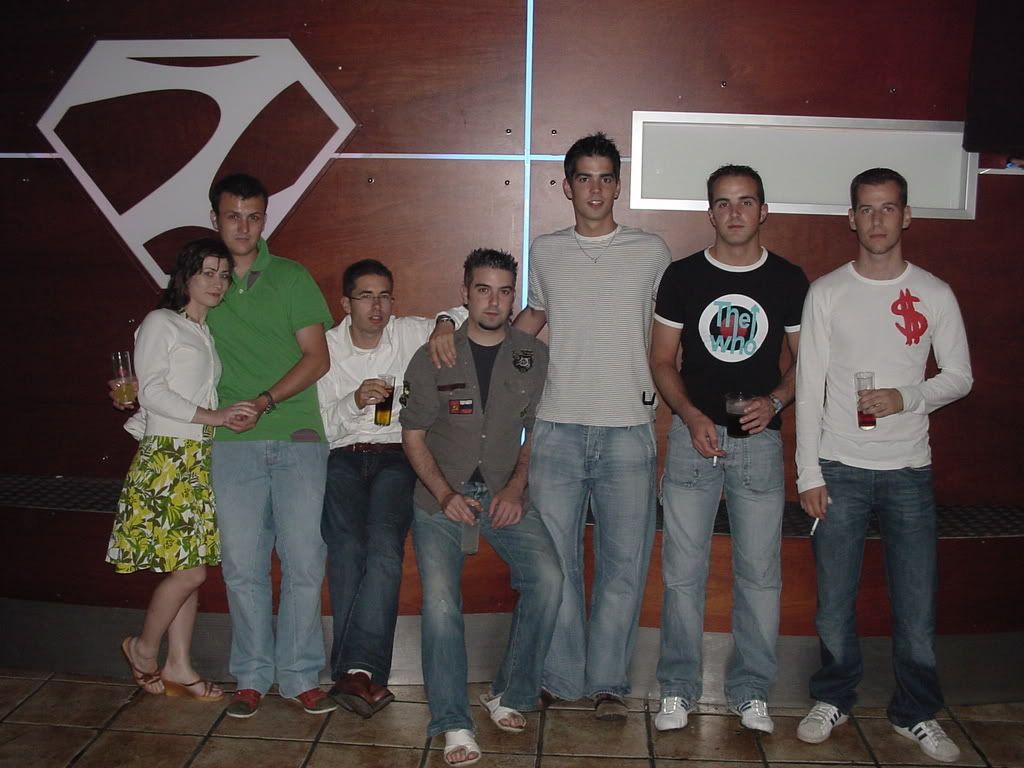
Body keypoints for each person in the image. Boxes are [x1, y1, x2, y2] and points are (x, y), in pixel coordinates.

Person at [794, 168, 972, 762]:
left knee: (916, 606)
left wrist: (906, 396)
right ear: (851, 218)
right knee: (833, 603)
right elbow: (809, 386)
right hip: (839, 467)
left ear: (906, 215)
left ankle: (916, 712)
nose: (877, 220)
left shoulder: (935, 293)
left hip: (909, 471)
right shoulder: (826, 292)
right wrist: (809, 473)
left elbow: (960, 377)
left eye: (888, 208)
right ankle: (834, 698)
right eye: (866, 210)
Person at [649, 165, 808, 733]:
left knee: (760, 575)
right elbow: (662, 359)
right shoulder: (683, 276)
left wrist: (777, 400)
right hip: (694, 439)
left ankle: (751, 691)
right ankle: (677, 689)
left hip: (759, 443)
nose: (735, 212)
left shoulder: (788, 279)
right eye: (723, 202)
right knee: (682, 574)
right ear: (710, 212)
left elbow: (808, 362)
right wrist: (689, 414)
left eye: (745, 201)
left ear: (763, 210)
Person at [402, 249, 562, 766]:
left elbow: (538, 431)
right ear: (465, 293)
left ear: (514, 298)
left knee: (548, 579)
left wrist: (515, 489)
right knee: (441, 604)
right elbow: (413, 435)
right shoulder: (435, 354)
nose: (494, 301)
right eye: (483, 289)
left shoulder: (532, 355)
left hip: (502, 491)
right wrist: (446, 495)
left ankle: (509, 692)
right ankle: (453, 721)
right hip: (440, 497)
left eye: (504, 291)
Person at [108, 238, 258, 702]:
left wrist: (222, 419)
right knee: (189, 574)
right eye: (207, 272)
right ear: (185, 277)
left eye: (223, 274)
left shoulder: (203, 330)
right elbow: (151, 392)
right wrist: (215, 416)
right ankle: (143, 647)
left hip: (195, 457)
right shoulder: (161, 322)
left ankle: (179, 664)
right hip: (168, 460)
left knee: (187, 567)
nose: (217, 282)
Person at [318, 258, 463, 717]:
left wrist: (444, 323)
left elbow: (465, 314)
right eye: (366, 296)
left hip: (398, 455)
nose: (377, 307)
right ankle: (360, 674)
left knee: (383, 546)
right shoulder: (326, 348)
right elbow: (316, 426)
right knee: (346, 548)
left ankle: (356, 671)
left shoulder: (407, 332)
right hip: (342, 454)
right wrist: (353, 400)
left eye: (384, 296)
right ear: (346, 304)